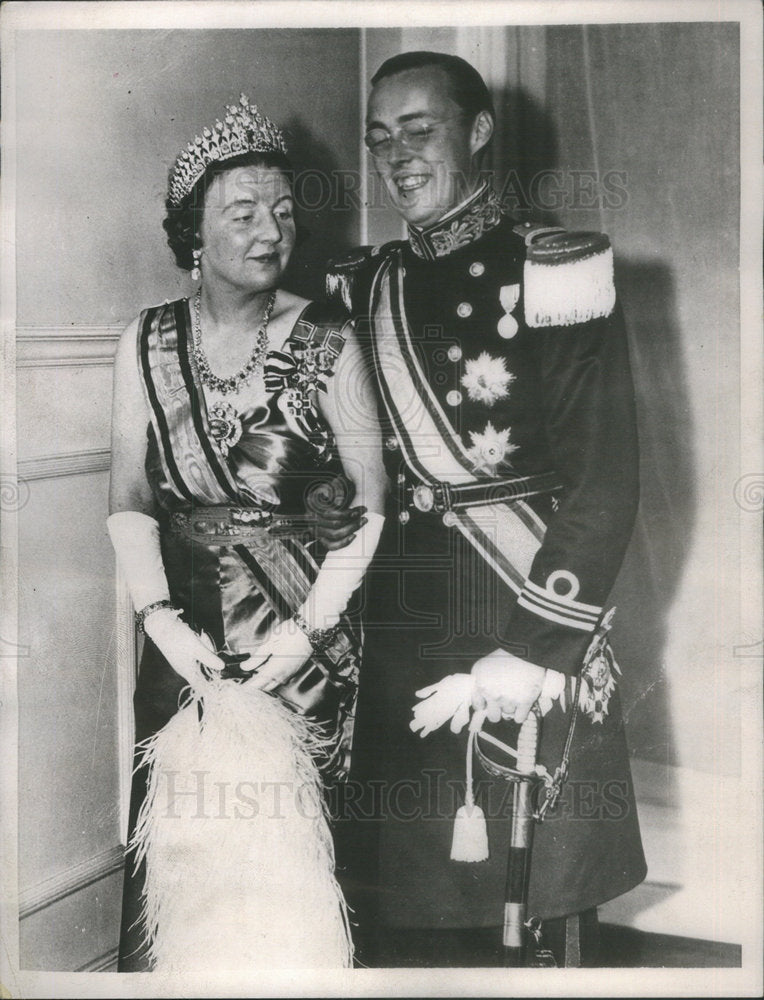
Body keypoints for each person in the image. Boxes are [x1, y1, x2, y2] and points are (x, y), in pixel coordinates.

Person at [324, 51, 647, 968]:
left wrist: (538, 645)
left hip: (516, 608)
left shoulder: (555, 267)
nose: (398, 157)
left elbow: (605, 479)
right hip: (398, 622)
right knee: (404, 908)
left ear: (477, 132)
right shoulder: (365, 283)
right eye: (380, 140)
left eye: (419, 131)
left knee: (531, 905)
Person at [107, 94, 386, 973]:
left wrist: (304, 634)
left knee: (290, 887)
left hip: (300, 639)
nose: (273, 230)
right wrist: (157, 620)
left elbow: (371, 504)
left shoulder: (327, 336)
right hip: (182, 636)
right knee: (184, 874)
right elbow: (128, 494)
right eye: (243, 214)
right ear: (195, 233)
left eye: (284, 211)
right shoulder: (144, 341)